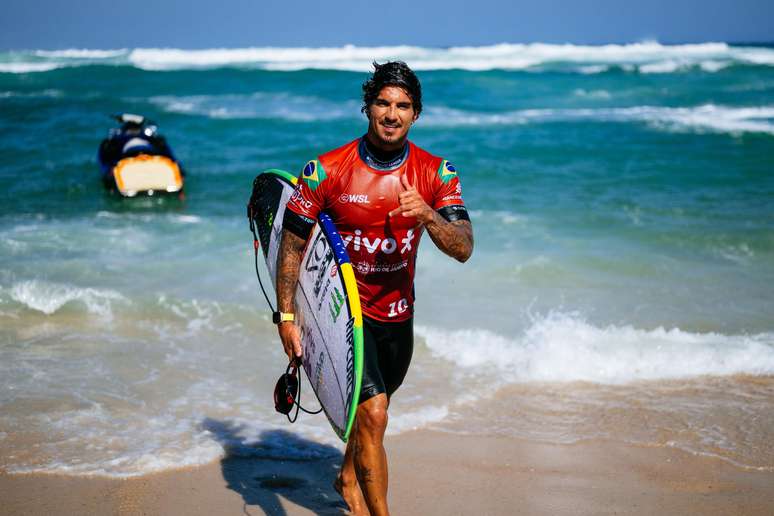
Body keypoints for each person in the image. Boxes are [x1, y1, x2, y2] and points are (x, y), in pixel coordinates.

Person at [275, 61, 473, 515]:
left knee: (372, 420)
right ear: (367, 107)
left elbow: (463, 248)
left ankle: (347, 474)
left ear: (416, 114)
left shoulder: (436, 174)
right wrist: (287, 316)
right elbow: (291, 244)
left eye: (402, 106)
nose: (391, 114)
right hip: (345, 318)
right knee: (374, 414)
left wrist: (427, 215)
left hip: (398, 318)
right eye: (383, 103)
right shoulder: (325, 171)